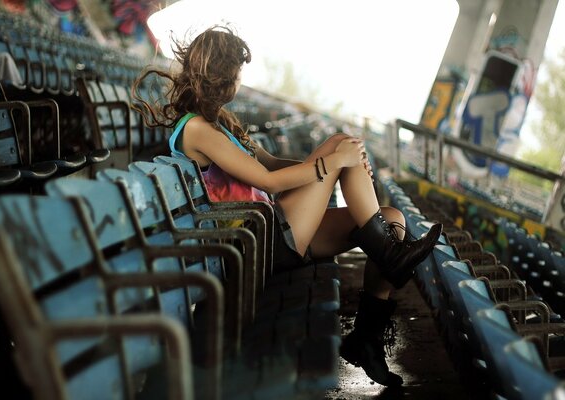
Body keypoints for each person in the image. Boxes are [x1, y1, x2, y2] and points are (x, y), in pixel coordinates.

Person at [132, 25, 442, 388]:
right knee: (342, 146)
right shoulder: (197, 130)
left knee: (393, 219)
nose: (238, 82)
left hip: (274, 229)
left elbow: (274, 165)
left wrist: (338, 161)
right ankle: (392, 258)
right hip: (261, 243)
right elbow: (268, 183)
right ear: (220, 75)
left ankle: (366, 340)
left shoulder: (220, 122)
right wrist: (334, 160)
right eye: (235, 74)